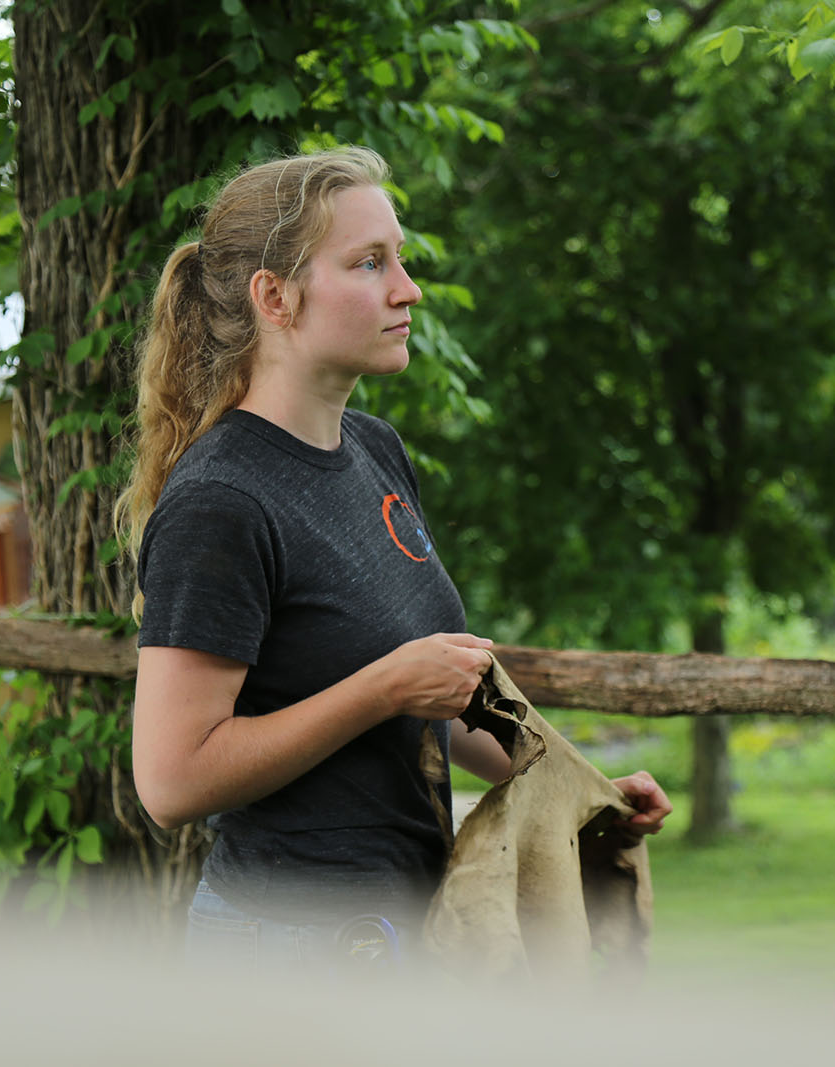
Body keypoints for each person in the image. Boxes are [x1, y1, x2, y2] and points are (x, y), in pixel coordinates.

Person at [116, 146, 671, 970]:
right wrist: (382, 688)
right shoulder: (221, 502)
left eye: (398, 258)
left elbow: (436, 697)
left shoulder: (374, 450)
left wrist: (581, 788)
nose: (406, 289)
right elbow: (171, 781)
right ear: (276, 296)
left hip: (410, 932)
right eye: (369, 263)